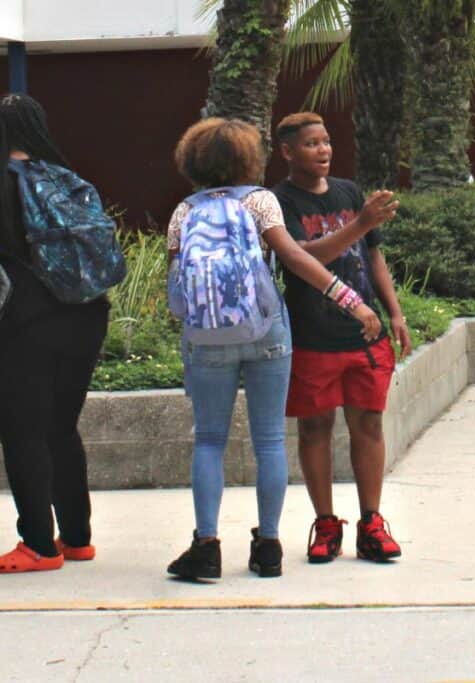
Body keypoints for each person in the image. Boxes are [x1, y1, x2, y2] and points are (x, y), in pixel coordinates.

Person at [163, 118, 383, 580]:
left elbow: (176, 286)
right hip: (267, 333)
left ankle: (205, 547)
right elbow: (297, 258)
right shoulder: (260, 201)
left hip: (206, 338)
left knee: (208, 440)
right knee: (268, 442)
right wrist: (353, 301)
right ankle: (268, 548)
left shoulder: (184, 211)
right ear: (247, 158)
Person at [0, 93, 108, 574]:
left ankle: (37, 543)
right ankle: (76, 538)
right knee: (60, 427)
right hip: (86, 316)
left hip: (22, 320)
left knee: (23, 431)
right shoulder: (67, 178)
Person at [272, 112, 408, 564]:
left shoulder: (349, 192)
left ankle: (372, 522)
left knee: (368, 424)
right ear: (288, 152)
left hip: (366, 336)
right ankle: (326, 523)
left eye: (327, 141)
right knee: (315, 428)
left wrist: (395, 312)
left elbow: (373, 258)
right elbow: (306, 258)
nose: (324, 150)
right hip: (313, 336)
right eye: (311, 144)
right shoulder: (280, 202)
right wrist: (361, 223)